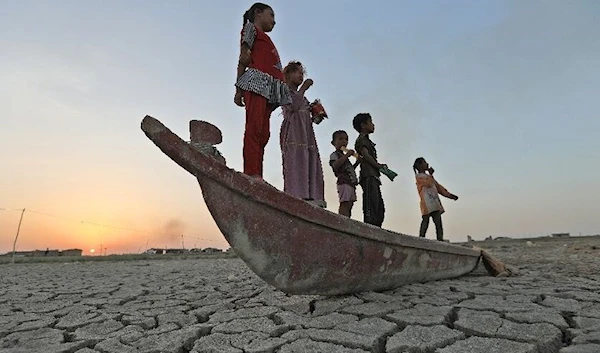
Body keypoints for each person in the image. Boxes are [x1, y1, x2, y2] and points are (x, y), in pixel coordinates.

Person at [234, 3, 291, 179]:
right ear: (258, 13)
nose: (274, 21)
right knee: (255, 128)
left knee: (264, 133)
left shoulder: (266, 39)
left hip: (269, 89)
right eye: (271, 15)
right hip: (257, 83)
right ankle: (251, 172)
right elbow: (244, 57)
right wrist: (238, 88)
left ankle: (258, 173)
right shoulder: (251, 29)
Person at [280, 61, 326, 207]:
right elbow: (292, 105)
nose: (300, 75)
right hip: (294, 135)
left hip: (306, 137)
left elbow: (312, 119)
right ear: (287, 75)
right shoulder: (284, 91)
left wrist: (316, 114)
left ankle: (312, 196)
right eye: (296, 72)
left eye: (302, 72)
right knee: (296, 161)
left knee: (308, 161)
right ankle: (296, 196)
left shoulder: (303, 98)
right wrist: (304, 88)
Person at [413, 157, 459, 241]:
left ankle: (440, 241)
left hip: (434, 204)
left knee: (438, 225)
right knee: (425, 223)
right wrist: (431, 175)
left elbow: (439, 188)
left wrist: (450, 195)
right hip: (426, 205)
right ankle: (420, 240)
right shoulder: (419, 177)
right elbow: (428, 184)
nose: (427, 164)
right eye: (424, 162)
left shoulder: (429, 177)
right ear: (419, 166)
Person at [353, 113, 386, 227]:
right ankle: (370, 228)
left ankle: (377, 227)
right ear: (363, 125)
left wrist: (378, 166)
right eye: (370, 122)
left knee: (378, 206)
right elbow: (366, 155)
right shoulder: (361, 140)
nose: (373, 125)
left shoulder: (367, 141)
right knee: (371, 206)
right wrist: (377, 165)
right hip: (368, 176)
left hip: (373, 176)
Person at [329, 130, 359, 217]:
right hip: (344, 182)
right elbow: (335, 166)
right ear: (333, 143)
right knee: (344, 203)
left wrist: (357, 162)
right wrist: (347, 155)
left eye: (346, 139)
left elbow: (349, 169)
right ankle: (341, 219)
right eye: (340, 139)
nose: (344, 141)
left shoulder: (344, 157)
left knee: (350, 204)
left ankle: (347, 220)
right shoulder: (334, 155)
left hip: (351, 183)